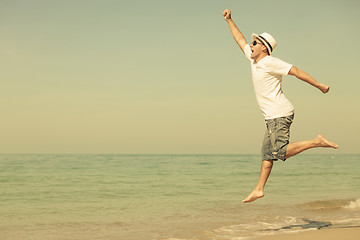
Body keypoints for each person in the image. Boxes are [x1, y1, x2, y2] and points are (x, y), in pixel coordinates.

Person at [222, 9, 339, 203]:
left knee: (279, 152)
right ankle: (259, 189)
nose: (250, 45)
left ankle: (316, 142)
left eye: (255, 43)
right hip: (271, 117)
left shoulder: (270, 62)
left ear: (264, 48)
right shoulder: (254, 61)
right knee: (267, 155)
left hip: (279, 114)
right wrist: (229, 20)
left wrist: (319, 85)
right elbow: (240, 39)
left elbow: (296, 71)